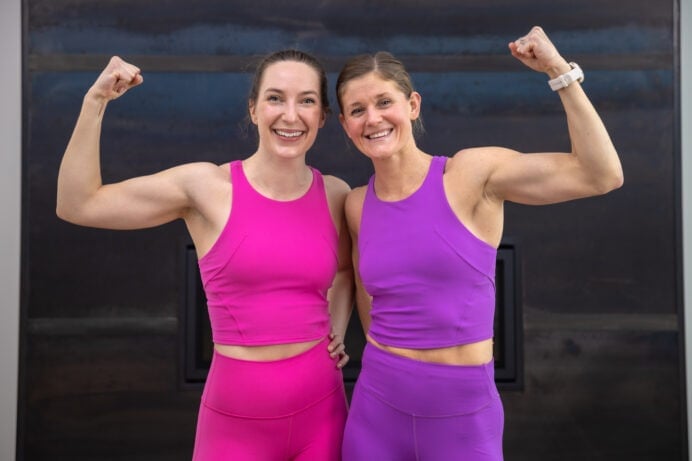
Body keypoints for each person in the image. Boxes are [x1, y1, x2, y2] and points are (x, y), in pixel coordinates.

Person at [335, 26, 623, 461]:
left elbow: (600, 174)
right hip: (377, 406)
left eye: (383, 103)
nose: (372, 118)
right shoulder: (357, 205)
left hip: (462, 413)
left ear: (412, 106)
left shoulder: (471, 174)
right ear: (345, 125)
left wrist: (559, 71)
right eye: (357, 110)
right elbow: (366, 296)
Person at [56, 49, 353, 461]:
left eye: (306, 100)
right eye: (274, 98)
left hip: (322, 412)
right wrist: (95, 102)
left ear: (322, 115)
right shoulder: (206, 188)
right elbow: (78, 204)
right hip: (236, 422)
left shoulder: (336, 194)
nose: (290, 114)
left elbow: (343, 270)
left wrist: (336, 327)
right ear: (253, 109)